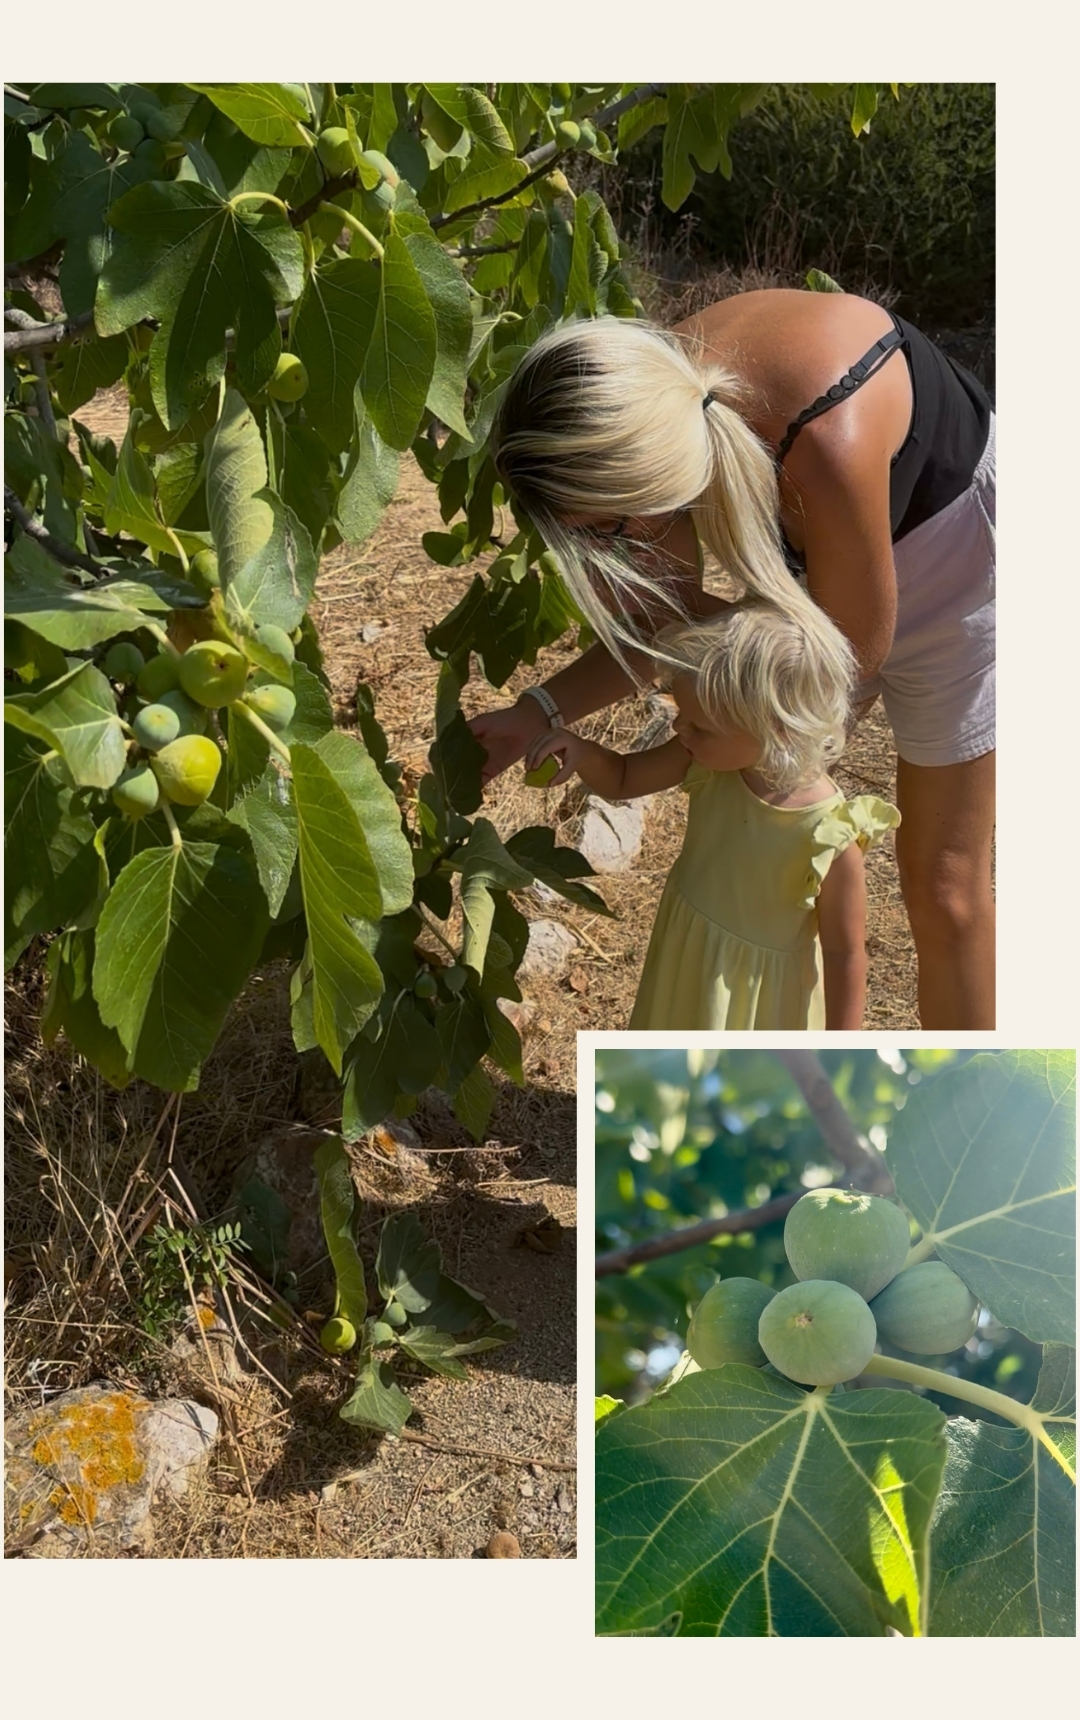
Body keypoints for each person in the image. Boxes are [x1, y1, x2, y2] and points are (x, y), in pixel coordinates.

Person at [472, 292, 995, 1028]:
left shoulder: (822, 444)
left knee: (944, 886)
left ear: (648, 478)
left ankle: (982, 1118)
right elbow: (667, 623)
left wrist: (707, 696)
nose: (605, 569)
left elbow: (841, 662)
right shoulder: (652, 398)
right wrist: (537, 713)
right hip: (832, 556)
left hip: (958, 562)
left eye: (610, 533)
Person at [523, 599, 898, 1030]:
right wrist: (583, 752)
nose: (679, 729)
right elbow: (624, 777)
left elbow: (844, 953)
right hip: (689, 960)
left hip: (762, 1002)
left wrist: (841, 1051)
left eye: (698, 724)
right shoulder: (706, 759)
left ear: (774, 728)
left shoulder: (830, 835)